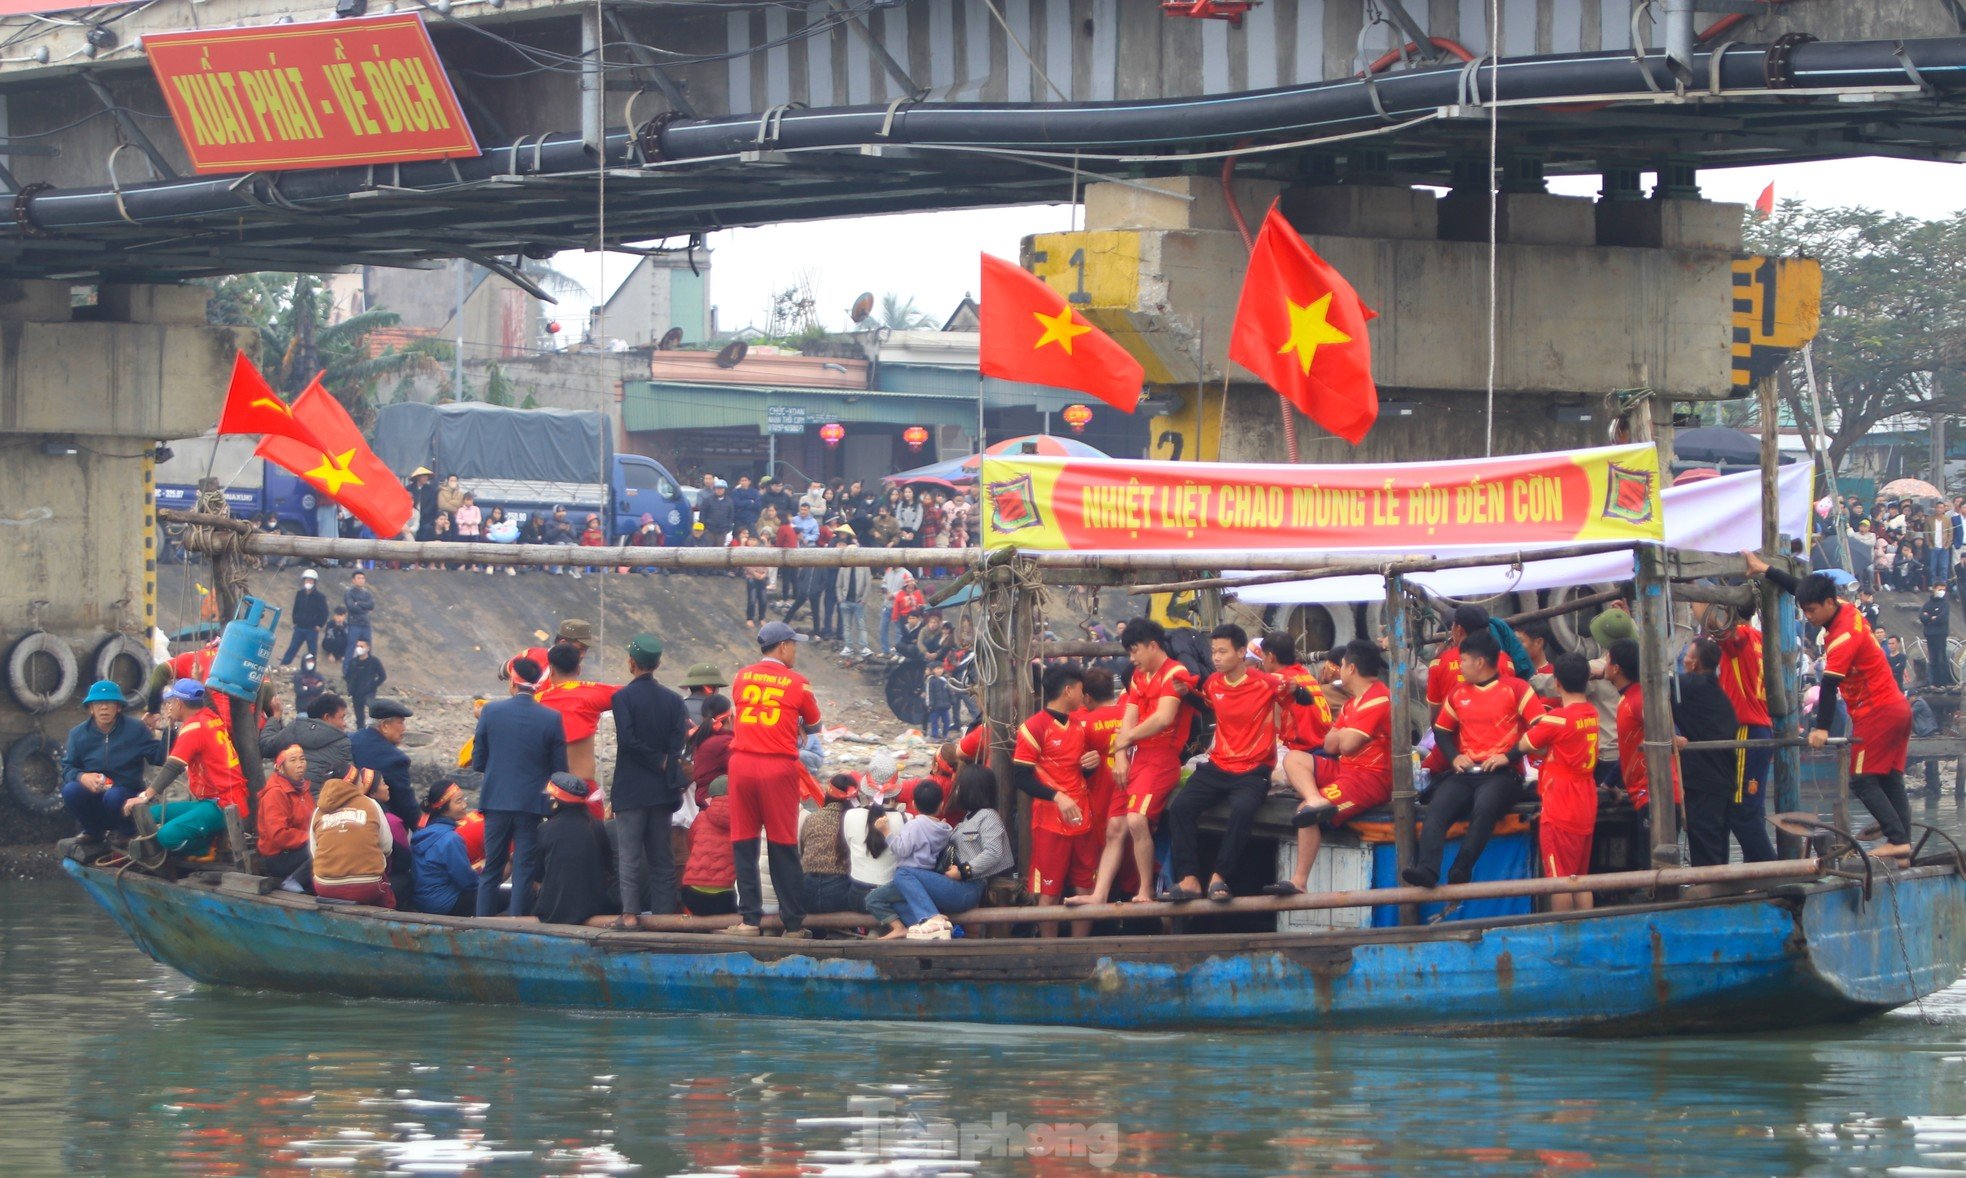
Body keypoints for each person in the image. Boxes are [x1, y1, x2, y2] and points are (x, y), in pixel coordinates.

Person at [1748, 552, 1915, 859]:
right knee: (1889, 777)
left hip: (1876, 711)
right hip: (1897, 708)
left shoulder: (1843, 637)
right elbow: (1803, 587)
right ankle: (1902, 846)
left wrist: (1821, 728)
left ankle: (1896, 838)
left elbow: (1827, 687)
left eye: (1811, 611)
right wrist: (1766, 570)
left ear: (1827, 604)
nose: (1808, 616)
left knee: (1862, 781)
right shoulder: (1847, 608)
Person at [1404, 631, 1544, 889]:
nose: (1460, 666)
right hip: (1466, 773)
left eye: (1463, 660)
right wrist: (1453, 756)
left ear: (1479, 662)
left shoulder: (1517, 689)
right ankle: (1427, 870)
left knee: (1485, 807)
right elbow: (1442, 730)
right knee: (1436, 810)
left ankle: (1462, 868)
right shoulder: (1458, 692)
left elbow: (1540, 728)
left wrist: (1508, 756)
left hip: (1503, 774)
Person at [1266, 640, 1394, 897]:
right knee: (1294, 759)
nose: (1339, 669)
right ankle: (1315, 799)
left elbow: (1344, 745)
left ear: (1352, 668)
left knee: (1306, 813)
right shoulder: (1353, 703)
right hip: (1345, 768)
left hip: (1369, 778)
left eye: (1342, 664)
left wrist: (1344, 733)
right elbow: (1330, 744)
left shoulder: (1378, 700)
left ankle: (1299, 881)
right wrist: (1345, 733)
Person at [1165, 625, 1281, 903]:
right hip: (1219, 764)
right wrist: (1185, 692)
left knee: (1242, 809)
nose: (1215, 657)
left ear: (1241, 652)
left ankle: (1219, 877)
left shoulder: (1266, 683)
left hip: (1254, 768)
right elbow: (1207, 704)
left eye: (1222, 651)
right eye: (1213, 651)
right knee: (1180, 807)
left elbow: (1298, 698)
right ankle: (1189, 879)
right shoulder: (1213, 683)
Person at [1086, 618, 1196, 906]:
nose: (1132, 659)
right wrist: (1120, 754)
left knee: (1136, 820)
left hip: (1160, 757)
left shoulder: (1175, 672)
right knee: (1115, 827)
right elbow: (1128, 719)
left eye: (1135, 651)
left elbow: (1163, 719)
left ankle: (1145, 890)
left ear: (1153, 646)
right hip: (1135, 755)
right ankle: (1099, 893)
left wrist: (1124, 742)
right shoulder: (1137, 677)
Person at [725, 621, 823, 937]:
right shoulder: (799, 683)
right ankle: (793, 924)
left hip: (740, 766)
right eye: (794, 644)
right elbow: (815, 723)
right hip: (777, 768)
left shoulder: (741, 677)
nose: (796, 650)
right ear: (783, 647)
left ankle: (749, 920)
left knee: (744, 842)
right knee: (782, 844)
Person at [472, 656, 569, 916]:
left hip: (496, 801)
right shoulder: (551, 718)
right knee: (523, 867)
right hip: (531, 804)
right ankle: (516, 921)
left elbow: (478, 760)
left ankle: (481, 922)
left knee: (492, 865)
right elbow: (559, 769)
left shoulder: (491, 711)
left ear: (513, 683)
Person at [121, 679, 248, 870]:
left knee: (166, 836)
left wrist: (145, 795)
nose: (167, 707)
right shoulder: (210, 716)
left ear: (179, 703)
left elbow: (173, 766)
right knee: (149, 813)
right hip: (214, 800)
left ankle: (204, 848)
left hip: (223, 803)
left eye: (170, 702)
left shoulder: (193, 729)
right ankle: (205, 836)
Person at [610, 633, 688, 927]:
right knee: (662, 860)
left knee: (629, 856)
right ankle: (665, 918)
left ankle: (630, 915)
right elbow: (677, 741)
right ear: (657, 664)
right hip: (662, 789)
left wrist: (656, 759)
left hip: (631, 790)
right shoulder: (673, 700)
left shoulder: (622, 698)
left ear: (632, 663)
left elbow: (627, 741)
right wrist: (665, 761)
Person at [1013, 665, 1096, 931]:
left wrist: (1089, 766)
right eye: (1081, 690)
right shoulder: (1033, 727)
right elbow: (1022, 777)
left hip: (1082, 817)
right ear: (1068, 690)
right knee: (1049, 889)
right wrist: (1057, 796)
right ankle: (1049, 950)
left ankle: (1081, 949)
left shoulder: (1079, 726)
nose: (1084, 696)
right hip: (1050, 822)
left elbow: (1077, 771)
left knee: (1085, 886)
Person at [1519, 653, 1599, 909]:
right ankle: (1587, 930)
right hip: (1585, 798)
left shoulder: (1557, 719)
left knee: (1559, 878)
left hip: (1561, 801)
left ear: (1557, 683)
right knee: (1580, 876)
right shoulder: (1591, 713)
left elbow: (1524, 743)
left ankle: (1562, 935)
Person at [60, 679, 163, 854]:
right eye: (98, 704)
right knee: (70, 790)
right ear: (91, 708)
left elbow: (158, 757)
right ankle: (93, 831)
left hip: (125, 795)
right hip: (95, 797)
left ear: (119, 707)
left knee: (114, 795)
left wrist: (170, 730)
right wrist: (82, 777)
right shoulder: (78, 734)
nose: (104, 708)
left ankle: (126, 832)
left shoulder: (136, 729)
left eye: (109, 703)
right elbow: (67, 768)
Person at [1676, 638, 1742, 868]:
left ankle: (1710, 891)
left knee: (1704, 836)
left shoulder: (1688, 686)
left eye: (1687, 655)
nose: (1683, 659)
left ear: (1693, 663)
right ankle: (1718, 887)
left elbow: (1655, 688)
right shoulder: (1716, 691)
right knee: (1716, 836)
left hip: (1704, 777)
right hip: (1723, 776)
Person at [534, 642, 619, 814]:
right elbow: (637, 695)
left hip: (552, 789)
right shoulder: (594, 693)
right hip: (585, 788)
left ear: (551, 670)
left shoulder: (537, 701)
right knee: (594, 837)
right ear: (578, 669)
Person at [532, 774, 615, 925]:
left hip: (553, 911)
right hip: (594, 908)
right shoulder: (596, 826)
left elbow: (537, 876)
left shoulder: (545, 829)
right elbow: (609, 869)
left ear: (556, 801)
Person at [309, 765, 394, 905]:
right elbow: (386, 846)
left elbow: (314, 852)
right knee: (387, 896)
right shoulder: (371, 804)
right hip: (366, 887)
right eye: (361, 782)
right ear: (353, 784)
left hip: (325, 887)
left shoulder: (318, 811)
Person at [259, 692, 353, 794]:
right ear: (327, 717)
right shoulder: (342, 743)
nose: (345, 724)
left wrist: (275, 717)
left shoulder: (295, 729)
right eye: (342, 718)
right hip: (322, 804)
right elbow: (349, 781)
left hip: (287, 798)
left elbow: (265, 746)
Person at [410, 781, 479, 915]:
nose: (465, 805)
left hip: (422, 900)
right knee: (498, 896)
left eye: (464, 799)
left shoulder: (423, 831)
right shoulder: (450, 838)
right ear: (443, 809)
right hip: (444, 903)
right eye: (459, 801)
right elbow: (467, 881)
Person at [351, 698, 417, 832]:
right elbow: (405, 803)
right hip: (378, 824)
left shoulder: (351, 738)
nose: (404, 729)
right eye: (401, 723)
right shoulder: (394, 759)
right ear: (385, 726)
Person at [256, 742, 316, 882]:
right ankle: (294, 882)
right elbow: (279, 835)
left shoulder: (302, 789)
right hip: (280, 857)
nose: (300, 764)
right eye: (293, 760)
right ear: (280, 767)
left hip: (301, 848)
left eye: (302, 759)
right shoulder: (275, 793)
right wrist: (312, 837)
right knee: (324, 849)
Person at [801, 775, 861, 914]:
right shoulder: (854, 820)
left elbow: (803, 848)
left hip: (807, 893)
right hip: (840, 895)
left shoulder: (811, 818)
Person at [681, 775, 737, 917]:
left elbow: (691, 844)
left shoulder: (700, 818)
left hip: (694, 896)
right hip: (728, 898)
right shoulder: (743, 820)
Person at [836, 533, 874, 657]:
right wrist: (841, 599)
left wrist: (863, 600)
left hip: (858, 602)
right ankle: (848, 647)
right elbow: (838, 585)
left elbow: (868, 584)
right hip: (845, 602)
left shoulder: (864, 566)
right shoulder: (844, 567)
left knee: (861, 626)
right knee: (847, 626)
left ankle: (864, 647)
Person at [281, 569, 329, 666]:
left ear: (314, 582)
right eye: (307, 580)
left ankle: (310, 670)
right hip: (299, 627)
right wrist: (295, 621)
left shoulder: (320, 597)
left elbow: (325, 613)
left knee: (312, 651)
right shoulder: (300, 594)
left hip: (312, 629)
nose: (308, 583)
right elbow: (296, 608)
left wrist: (319, 625)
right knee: (292, 648)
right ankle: (283, 666)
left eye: (311, 581)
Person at [343, 639, 386, 728]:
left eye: (361, 646)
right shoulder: (353, 662)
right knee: (359, 718)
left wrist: (373, 685)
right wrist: (350, 687)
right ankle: (360, 734)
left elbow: (382, 676)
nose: (359, 648)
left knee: (373, 713)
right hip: (356, 693)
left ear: (368, 648)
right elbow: (347, 676)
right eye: (357, 646)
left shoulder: (374, 661)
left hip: (368, 692)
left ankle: (374, 731)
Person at [1923, 585, 1954, 687]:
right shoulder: (1927, 604)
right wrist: (1933, 618)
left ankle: (1943, 683)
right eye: (1939, 589)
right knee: (1933, 659)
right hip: (1930, 635)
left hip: (1940, 635)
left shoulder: (1945, 604)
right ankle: (1934, 683)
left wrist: (1931, 618)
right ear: (1934, 590)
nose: (1942, 591)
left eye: (1943, 590)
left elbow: (1943, 617)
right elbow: (1922, 616)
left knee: (1942, 659)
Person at [342, 571, 376, 650]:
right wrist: (365, 608)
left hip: (366, 623)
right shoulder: (349, 592)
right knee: (351, 647)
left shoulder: (367, 593)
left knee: (367, 648)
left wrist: (359, 603)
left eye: (363, 578)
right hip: (354, 623)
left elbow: (371, 605)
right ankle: (347, 663)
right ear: (353, 580)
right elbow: (351, 607)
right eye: (359, 578)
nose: (361, 580)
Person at [925, 664, 954, 738]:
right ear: (933, 670)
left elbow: (950, 691)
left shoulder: (945, 680)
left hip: (945, 706)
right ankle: (935, 736)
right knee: (934, 722)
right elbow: (929, 693)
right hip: (935, 706)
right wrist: (930, 704)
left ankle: (945, 735)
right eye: (937, 668)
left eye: (941, 668)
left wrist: (952, 700)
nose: (939, 670)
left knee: (947, 721)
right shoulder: (931, 681)